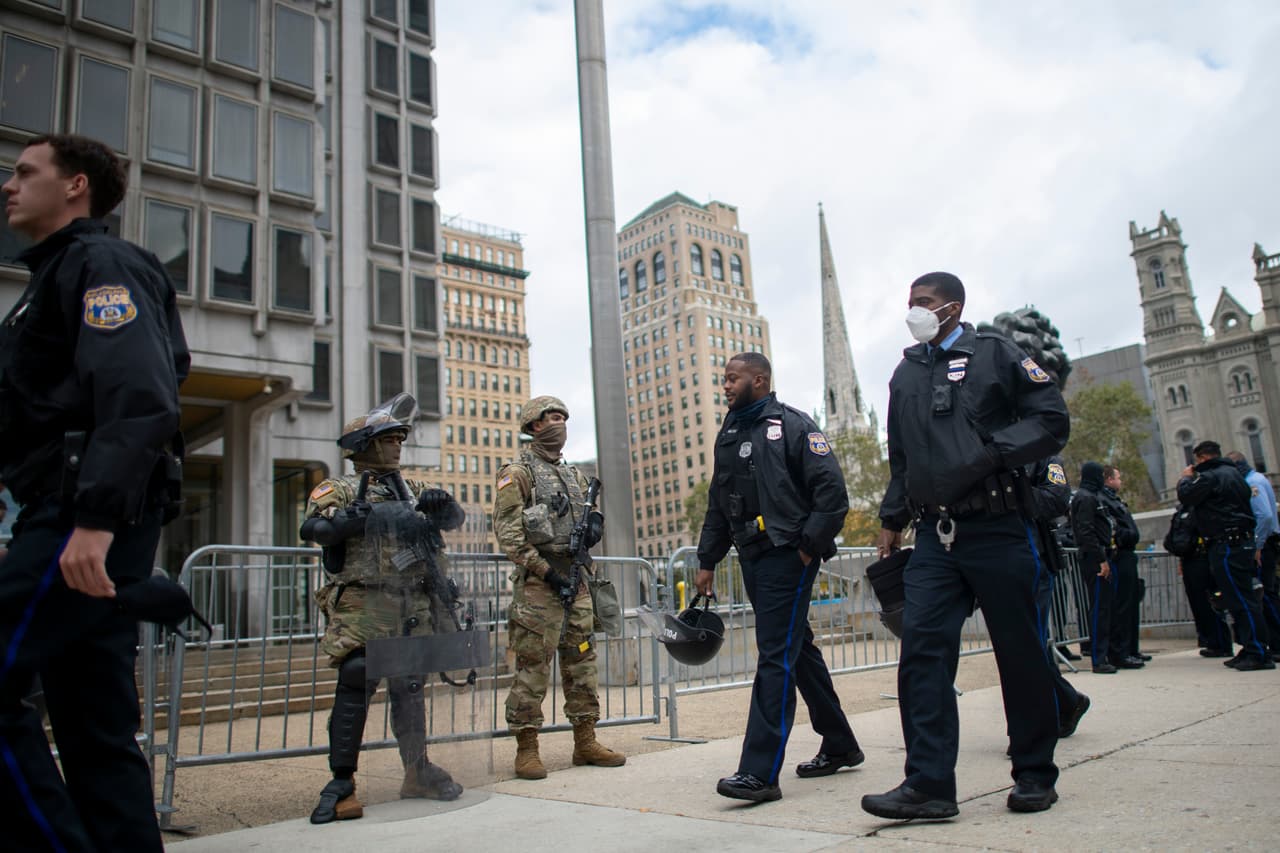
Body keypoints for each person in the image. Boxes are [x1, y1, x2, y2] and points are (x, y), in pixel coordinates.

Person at [0, 134, 189, 852]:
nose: (9, 185)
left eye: (24, 172)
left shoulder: (98, 263)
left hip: (76, 519)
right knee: (93, 718)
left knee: (87, 713)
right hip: (68, 515)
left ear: (75, 186)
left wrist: (96, 520)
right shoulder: (53, 277)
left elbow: (139, 395)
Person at [862, 271, 1069, 821]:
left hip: (999, 526)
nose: (916, 311)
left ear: (953, 306)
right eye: (910, 303)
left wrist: (990, 454)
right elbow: (901, 459)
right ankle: (928, 786)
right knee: (922, 655)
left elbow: (1051, 419)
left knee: (1019, 654)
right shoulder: (904, 374)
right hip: (935, 535)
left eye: (925, 302)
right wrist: (891, 518)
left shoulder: (997, 353)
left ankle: (1034, 774)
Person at [693, 353, 861, 803]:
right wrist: (707, 560)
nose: (725, 385)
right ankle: (841, 743)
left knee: (775, 656)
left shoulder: (795, 426)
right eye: (724, 378)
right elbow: (717, 501)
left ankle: (759, 772)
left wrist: (807, 547)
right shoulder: (728, 431)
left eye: (733, 378)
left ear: (760, 380)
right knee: (795, 649)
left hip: (788, 555)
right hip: (751, 556)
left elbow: (832, 495)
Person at [302, 394, 467, 823]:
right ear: (363, 445)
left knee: (410, 687)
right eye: (388, 439)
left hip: (412, 602)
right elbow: (315, 527)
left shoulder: (412, 490)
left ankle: (417, 770)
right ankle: (342, 781)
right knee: (356, 680)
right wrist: (355, 519)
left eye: (399, 438)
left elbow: (451, 521)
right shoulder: (337, 487)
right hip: (365, 602)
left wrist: (441, 506)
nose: (397, 446)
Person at [492, 396, 624, 780]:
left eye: (564, 418)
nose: (560, 423)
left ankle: (585, 741)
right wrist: (547, 572)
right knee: (532, 668)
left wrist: (595, 524)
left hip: (577, 583)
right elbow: (510, 535)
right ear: (534, 425)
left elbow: (588, 515)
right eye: (553, 417)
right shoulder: (517, 473)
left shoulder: (575, 475)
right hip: (539, 587)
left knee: (582, 663)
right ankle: (527, 748)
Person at [1177, 441, 1273, 671]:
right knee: (1243, 598)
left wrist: (1186, 478)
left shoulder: (1211, 477)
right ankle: (1252, 647)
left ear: (1201, 458)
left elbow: (1187, 496)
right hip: (1241, 542)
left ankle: (1257, 651)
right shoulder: (1235, 474)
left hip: (1227, 543)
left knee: (1241, 600)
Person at [1024, 457, 1091, 740]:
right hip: (999, 563)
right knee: (1021, 646)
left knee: (1030, 644)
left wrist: (1009, 491)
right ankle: (1064, 701)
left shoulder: (1043, 458)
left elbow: (1055, 500)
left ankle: (1046, 716)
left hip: (1035, 560)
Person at [1226, 451, 1280, 660]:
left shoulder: (1251, 483)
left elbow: (1264, 516)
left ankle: (1276, 643)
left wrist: (1257, 545)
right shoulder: (1256, 478)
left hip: (1263, 546)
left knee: (1264, 595)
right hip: (1265, 543)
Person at [1070, 462, 1121, 673]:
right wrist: (1101, 559)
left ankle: (1108, 653)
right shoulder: (1086, 498)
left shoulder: (1091, 496)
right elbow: (1086, 532)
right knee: (1099, 608)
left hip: (1101, 556)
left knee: (1106, 608)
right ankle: (1099, 658)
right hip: (1094, 560)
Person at [1099, 466, 1147, 668]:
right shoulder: (1103, 500)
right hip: (1118, 556)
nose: (1121, 481)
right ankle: (1121, 652)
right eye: (1118, 477)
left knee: (1131, 605)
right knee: (1122, 607)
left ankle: (1131, 649)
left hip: (1127, 554)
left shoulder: (1114, 499)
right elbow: (1111, 529)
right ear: (1109, 479)